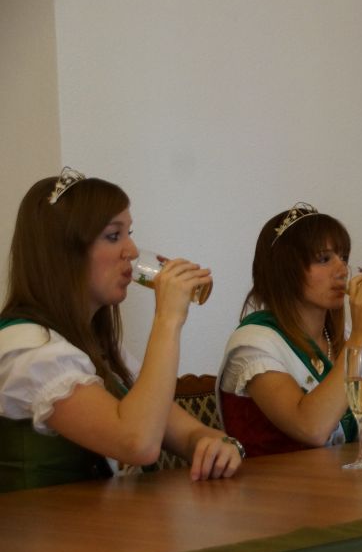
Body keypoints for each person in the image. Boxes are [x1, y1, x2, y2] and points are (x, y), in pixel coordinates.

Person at [0, 168, 243, 492]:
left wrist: (217, 444)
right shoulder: (27, 349)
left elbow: (185, 433)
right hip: (44, 525)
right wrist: (168, 318)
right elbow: (138, 443)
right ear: (64, 252)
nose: (132, 250)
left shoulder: (97, 345)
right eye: (114, 236)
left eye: (129, 233)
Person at [216, 202, 362, 457]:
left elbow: (338, 425)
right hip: (272, 482)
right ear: (285, 270)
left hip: (332, 479)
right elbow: (312, 428)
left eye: (343, 258)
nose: (342, 270)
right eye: (324, 259)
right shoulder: (253, 343)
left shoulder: (340, 336)